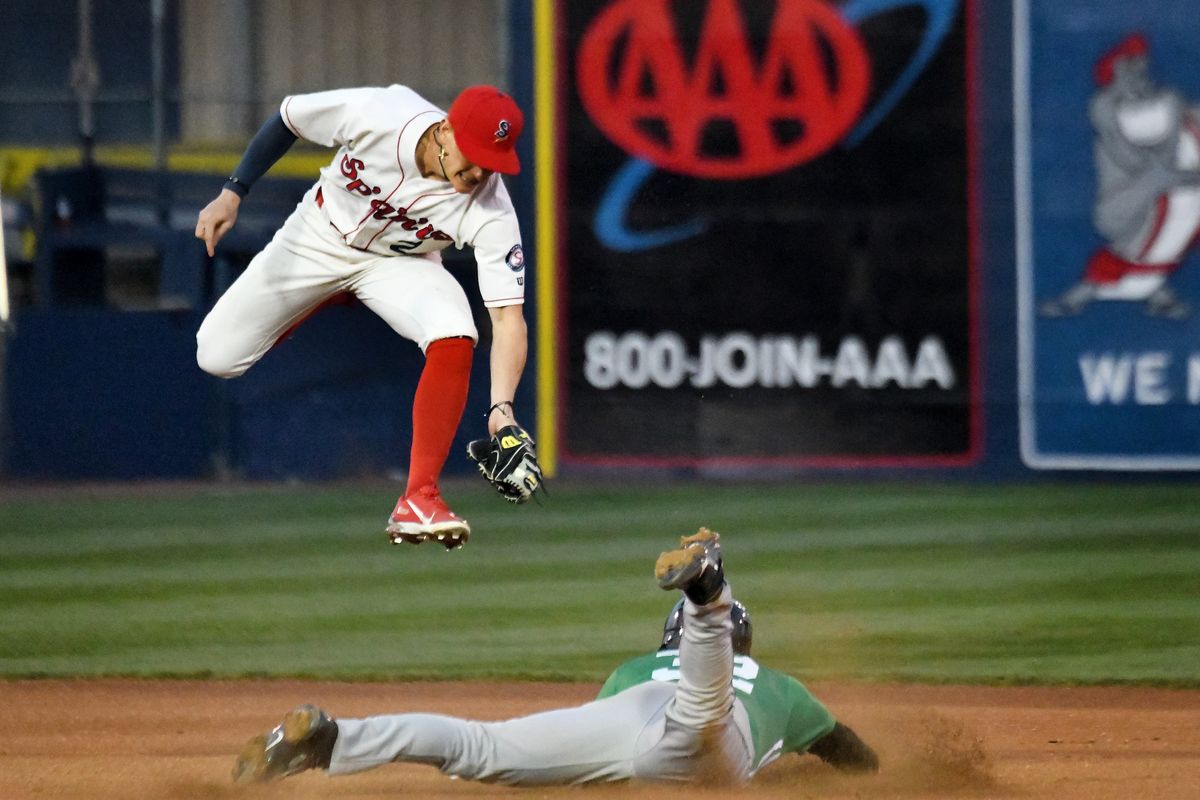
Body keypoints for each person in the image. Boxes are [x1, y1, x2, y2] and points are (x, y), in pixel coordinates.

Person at [232, 528, 879, 787]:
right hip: (703, 730)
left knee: (481, 748)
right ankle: (710, 597)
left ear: (663, 641)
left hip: (628, 717)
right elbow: (855, 758)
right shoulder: (782, 688)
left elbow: (607, 765)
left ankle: (331, 739)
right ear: (750, 647)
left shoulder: (633, 668)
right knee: (701, 714)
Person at [194, 84, 532, 549]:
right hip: (318, 235)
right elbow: (289, 117)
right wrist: (233, 192)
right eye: (471, 155)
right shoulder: (383, 112)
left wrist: (502, 412)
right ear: (446, 129)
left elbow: (508, 316)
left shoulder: (492, 208)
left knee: (455, 329)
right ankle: (326, 294)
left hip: (397, 264)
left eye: (490, 163)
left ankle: (419, 497)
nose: (478, 172)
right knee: (216, 355)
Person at [1040, 33, 1199, 319]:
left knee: (1169, 234)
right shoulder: (1111, 115)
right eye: (1129, 68)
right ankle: (1094, 294)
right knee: (1140, 239)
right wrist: (1171, 177)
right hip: (1132, 213)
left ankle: (1155, 292)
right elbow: (1143, 177)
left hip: (1176, 211)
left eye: (1141, 66)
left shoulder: (1172, 105)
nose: (1139, 74)